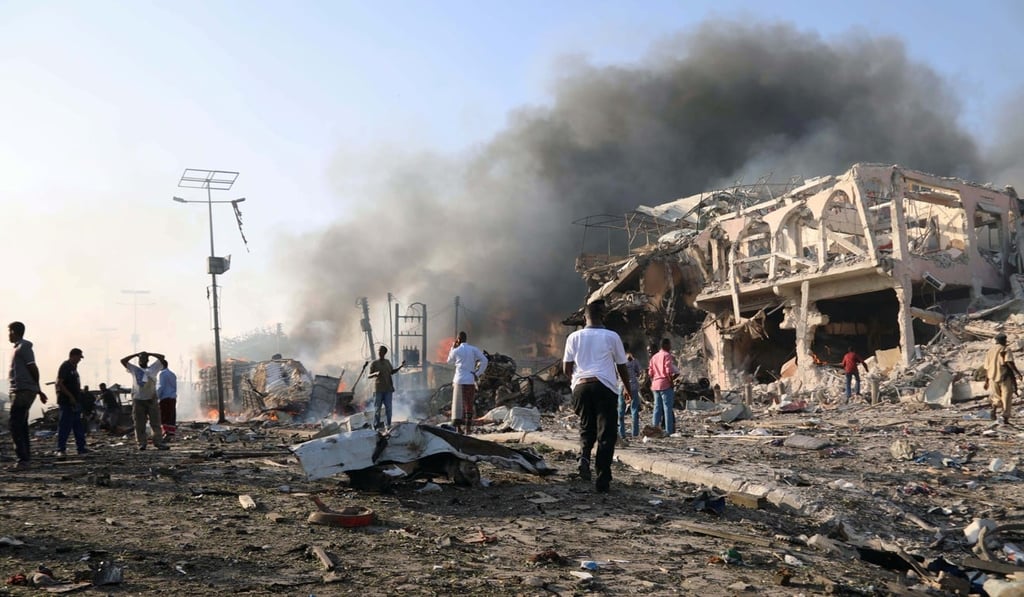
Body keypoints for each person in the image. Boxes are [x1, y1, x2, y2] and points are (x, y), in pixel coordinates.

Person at [563, 300, 631, 493]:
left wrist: (576, 380)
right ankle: (602, 479)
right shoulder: (612, 336)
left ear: (584, 317)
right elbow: (621, 366)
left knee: (587, 426)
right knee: (606, 434)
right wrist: (628, 389)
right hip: (604, 387)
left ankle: (584, 456)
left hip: (581, 388)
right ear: (604, 316)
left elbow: (566, 369)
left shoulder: (573, 337)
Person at [7, 322, 47, 470]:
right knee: (21, 424)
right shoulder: (17, 348)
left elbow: (33, 367)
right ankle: (25, 458)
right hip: (19, 389)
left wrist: (38, 389)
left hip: (23, 390)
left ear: (15, 332)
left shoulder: (24, 347)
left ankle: (23, 460)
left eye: (10, 332)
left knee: (15, 423)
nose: (8, 335)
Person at [120, 351, 169, 450]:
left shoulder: (153, 368)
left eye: (144, 358)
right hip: (138, 399)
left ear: (147, 360)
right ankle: (141, 443)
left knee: (155, 422)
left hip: (151, 398)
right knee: (139, 423)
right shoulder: (134, 369)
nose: (141, 360)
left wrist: (149, 353)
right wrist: (136, 354)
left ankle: (158, 442)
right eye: (140, 359)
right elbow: (123, 361)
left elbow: (162, 356)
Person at [447, 331, 489, 434]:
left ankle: (458, 429)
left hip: (458, 380)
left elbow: (449, 361)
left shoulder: (456, 351)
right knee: (468, 404)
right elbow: (485, 360)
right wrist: (478, 373)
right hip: (469, 379)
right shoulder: (473, 349)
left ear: (458, 340)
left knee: (458, 405)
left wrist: (453, 347)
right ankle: (468, 429)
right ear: (466, 339)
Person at [55, 348, 90, 458]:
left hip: (75, 403)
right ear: (73, 356)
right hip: (67, 402)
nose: (80, 360)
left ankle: (81, 448)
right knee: (65, 426)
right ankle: (61, 449)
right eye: (79, 357)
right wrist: (70, 396)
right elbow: (59, 383)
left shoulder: (74, 368)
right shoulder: (65, 366)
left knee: (78, 426)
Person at [984, 333, 1022, 424]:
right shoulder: (1005, 349)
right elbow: (1009, 362)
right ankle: (1005, 417)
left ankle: (994, 407)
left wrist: (986, 381)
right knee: (1006, 397)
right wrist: (1018, 373)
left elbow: (986, 367)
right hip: (1004, 376)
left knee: (996, 396)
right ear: (1003, 340)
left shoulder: (990, 351)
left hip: (992, 376)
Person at [367, 346, 405, 429]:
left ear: (384, 353)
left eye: (382, 351)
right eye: (379, 351)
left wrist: (400, 366)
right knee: (377, 409)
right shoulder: (374, 363)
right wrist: (375, 374)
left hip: (388, 389)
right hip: (378, 389)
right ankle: (376, 426)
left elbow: (392, 372)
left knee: (389, 408)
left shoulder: (387, 362)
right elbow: (368, 375)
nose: (380, 353)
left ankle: (388, 425)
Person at [648, 338, 679, 436]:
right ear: (665, 345)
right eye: (669, 345)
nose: (670, 347)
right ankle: (668, 431)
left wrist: (655, 380)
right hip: (665, 384)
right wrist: (671, 382)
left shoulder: (654, 357)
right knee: (667, 409)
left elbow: (650, 372)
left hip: (655, 385)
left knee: (657, 408)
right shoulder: (667, 355)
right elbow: (668, 371)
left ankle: (654, 429)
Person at [617, 344, 642, 439]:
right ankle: (635, 433)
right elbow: (639, 373)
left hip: (621, 386)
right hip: (633, 386)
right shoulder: (633, 360)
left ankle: (621, 433)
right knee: (634, 409)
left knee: (621, 410)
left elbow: (616, 373)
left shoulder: (618, 359)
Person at [156, 358, 178, 442]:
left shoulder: (162, 374)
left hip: (165, 398)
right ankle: (171, 434)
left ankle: (166, 433)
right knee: (171, 416)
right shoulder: (172, 374)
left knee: (164, 416)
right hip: (172, 397)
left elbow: (161, 386)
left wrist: (156, 396)